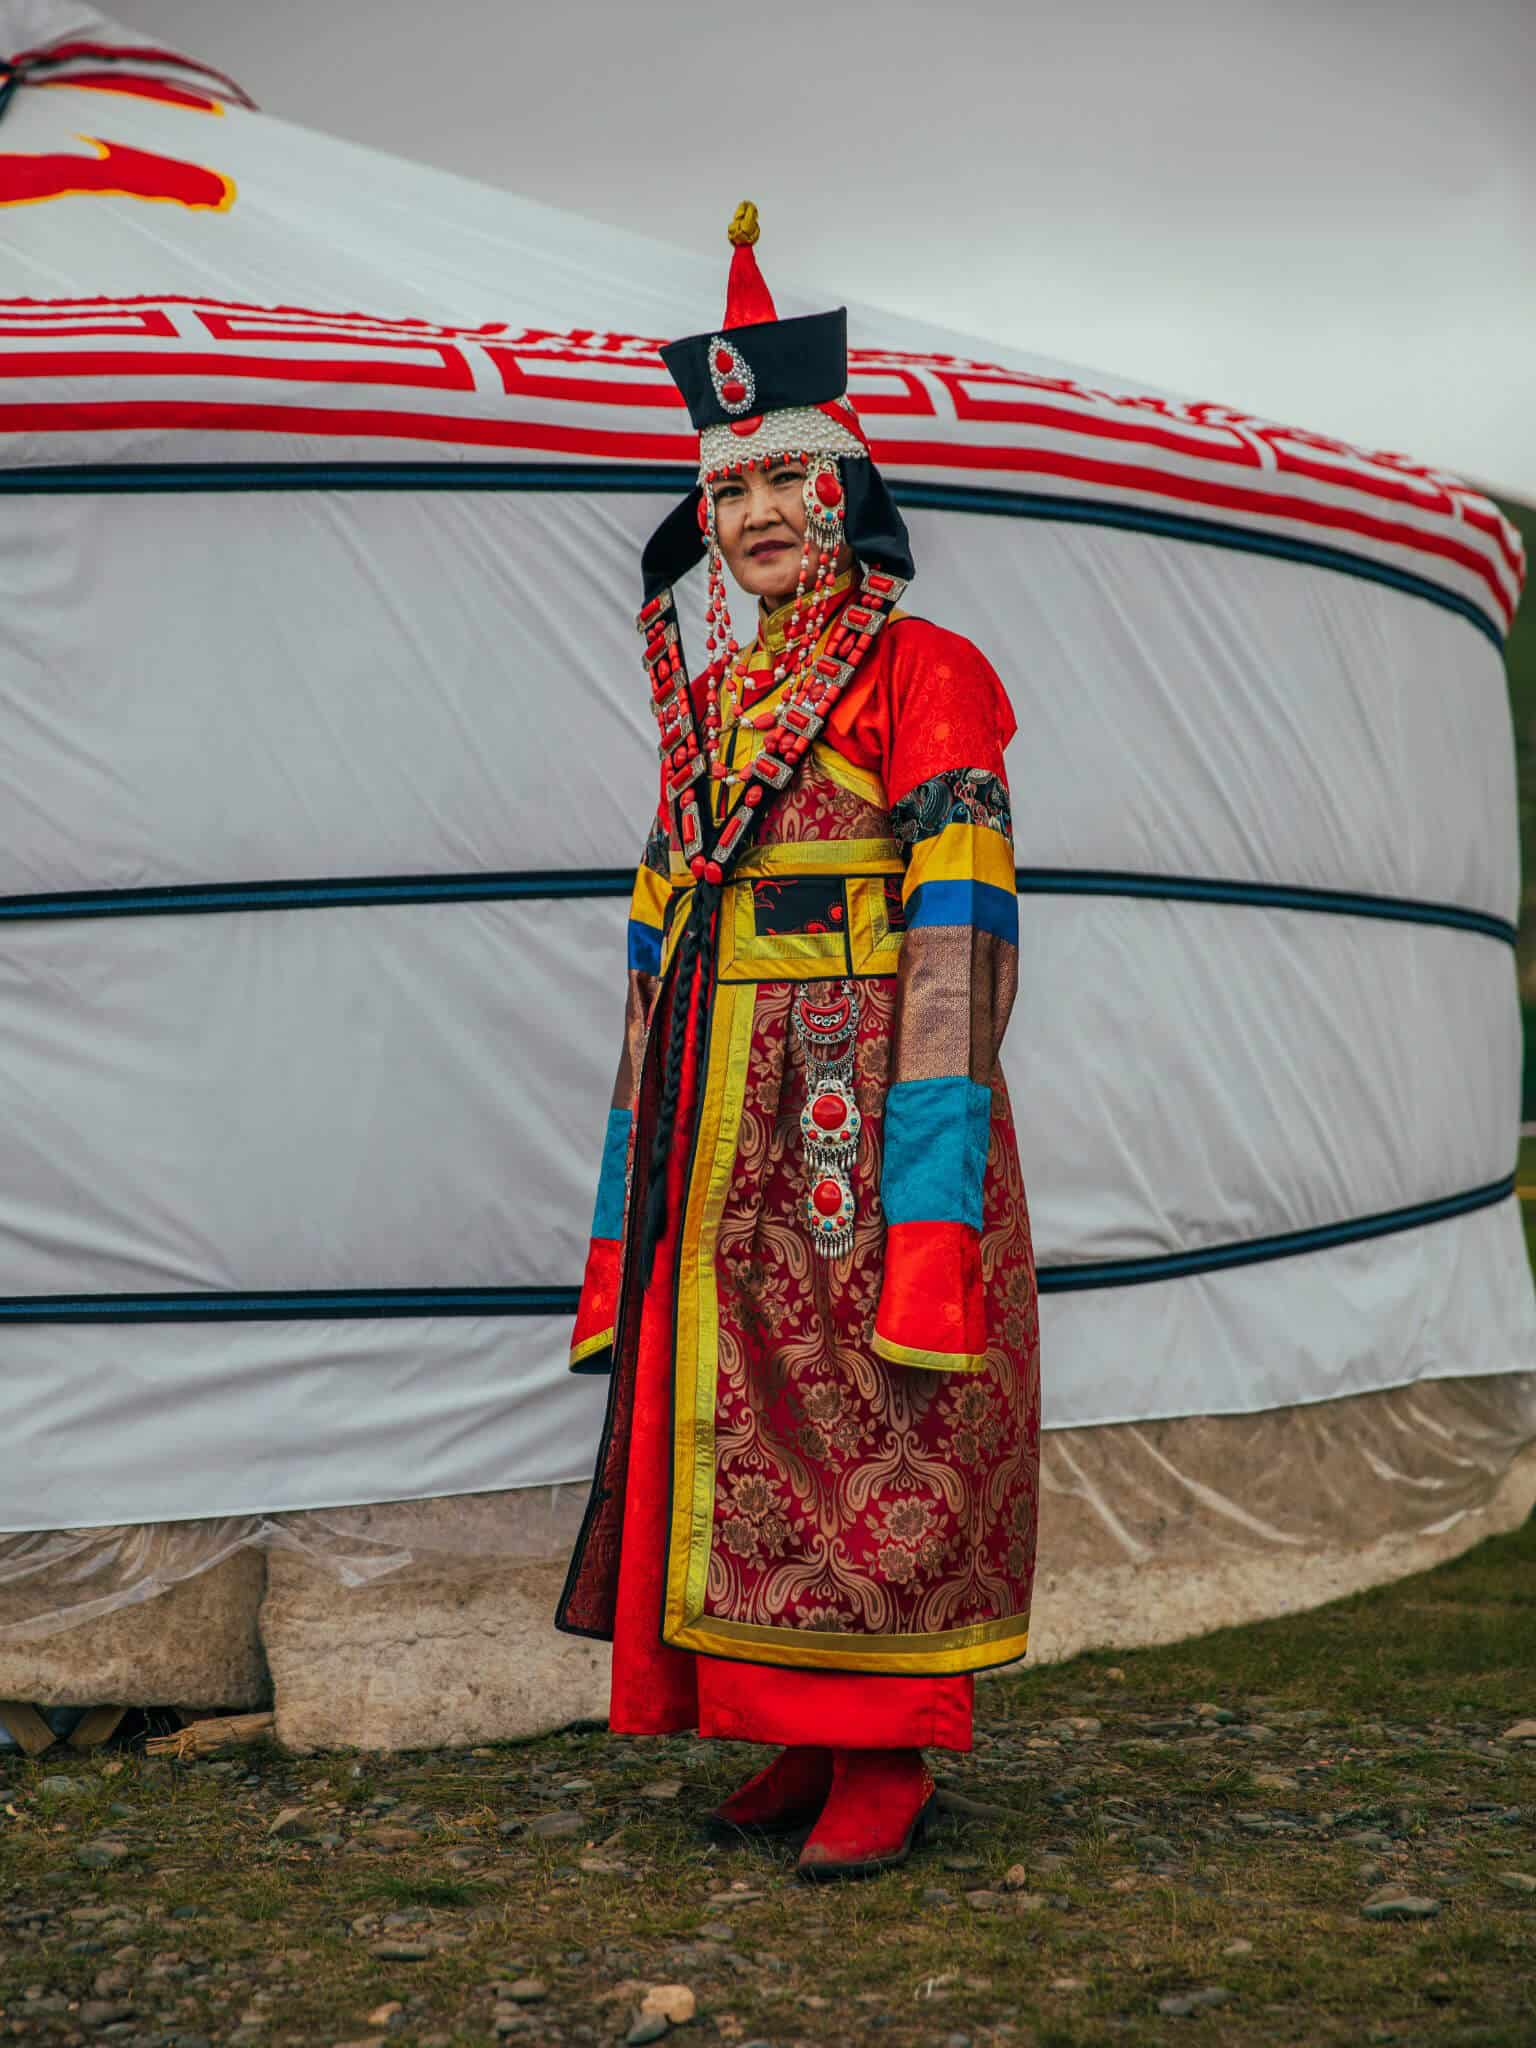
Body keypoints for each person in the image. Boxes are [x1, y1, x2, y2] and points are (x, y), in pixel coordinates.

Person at [557, 203, 1039, 1880]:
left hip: (864, 1097)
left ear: (848, 497)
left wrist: (929, 1180)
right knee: (740, 1419)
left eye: (785, 482)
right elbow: (657, 915)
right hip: (716, 1104)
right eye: (727, 492)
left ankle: (885, 1752)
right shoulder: (719, 699)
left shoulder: (927, 671)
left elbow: (964, 920)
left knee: (868, 1410)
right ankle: (781, 1723)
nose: (754, 516)